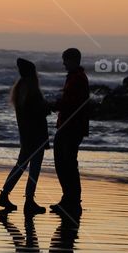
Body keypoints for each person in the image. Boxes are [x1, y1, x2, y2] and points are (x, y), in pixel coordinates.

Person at [0, 58, 49, 215]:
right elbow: (39, 112)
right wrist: (49, 107)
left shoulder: (20, 89)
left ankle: (5, 194)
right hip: (36, 136)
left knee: (21, 166)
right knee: (34, 169)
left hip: (26, 136)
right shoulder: (32, 91)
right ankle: (29, 201)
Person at [50, 48, 89, 220]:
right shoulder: (76, 77)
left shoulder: (78, 78)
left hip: (71, 127)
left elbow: (71, 103)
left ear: (73, 60)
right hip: (70, 126)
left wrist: (53, 104)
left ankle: (72, 201)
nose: (63, 63)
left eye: (65, 60)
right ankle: (69, 200)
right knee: (66, 163)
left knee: (66, 164)